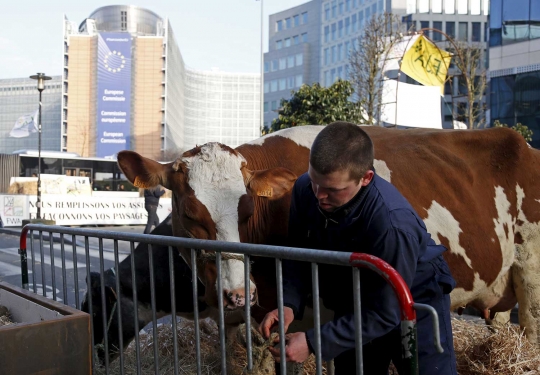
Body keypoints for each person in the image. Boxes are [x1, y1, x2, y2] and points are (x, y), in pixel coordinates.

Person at [259, 122, 457, 374]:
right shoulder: (304, 190)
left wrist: (312, 343)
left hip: (410, 298)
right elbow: (299, 253)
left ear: (366, 178)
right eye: (314, 182)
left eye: (333, 189)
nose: (319, 195)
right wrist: (288, 304)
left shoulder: (391, 223)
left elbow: (387, 312)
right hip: (354, 296)